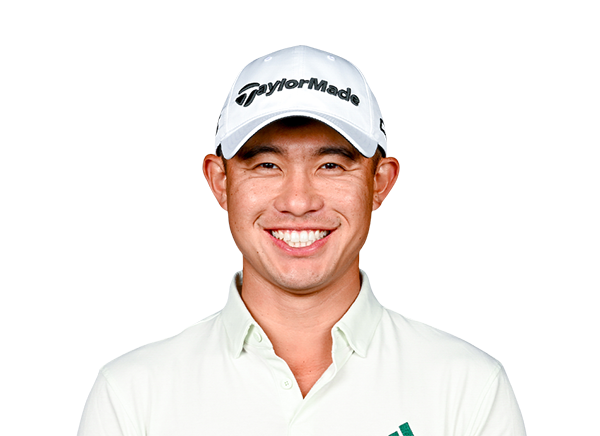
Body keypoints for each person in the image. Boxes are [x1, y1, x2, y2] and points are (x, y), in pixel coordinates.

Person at [78, 46, 526, 436]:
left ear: (379, 182)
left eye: (331, 165)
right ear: (220, 182)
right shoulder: (133, 395)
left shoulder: (466, 388)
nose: (297, 201)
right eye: (266, 165)